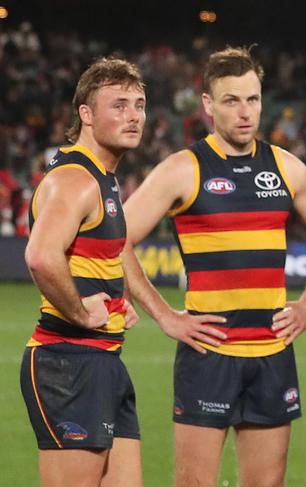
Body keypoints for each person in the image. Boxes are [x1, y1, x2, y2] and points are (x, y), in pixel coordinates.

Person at [121, 46, 306, 487]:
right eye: (231, 100)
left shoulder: (285, 168)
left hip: (272, 354)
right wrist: (165, 316)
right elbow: (114, 239)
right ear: (208, 105)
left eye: (253, 99)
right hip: (208, 356)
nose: (245, 112)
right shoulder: (182, 170)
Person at [19, 58, 145, 487]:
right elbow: (40, 256)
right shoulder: (77, 178)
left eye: (140, 105)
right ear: (86, 115)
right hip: (67, 363)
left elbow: (91, 257)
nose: (134, 116)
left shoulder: (105, 178)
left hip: (103, 361)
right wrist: (78, 312)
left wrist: (114, 305)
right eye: (119, 105)